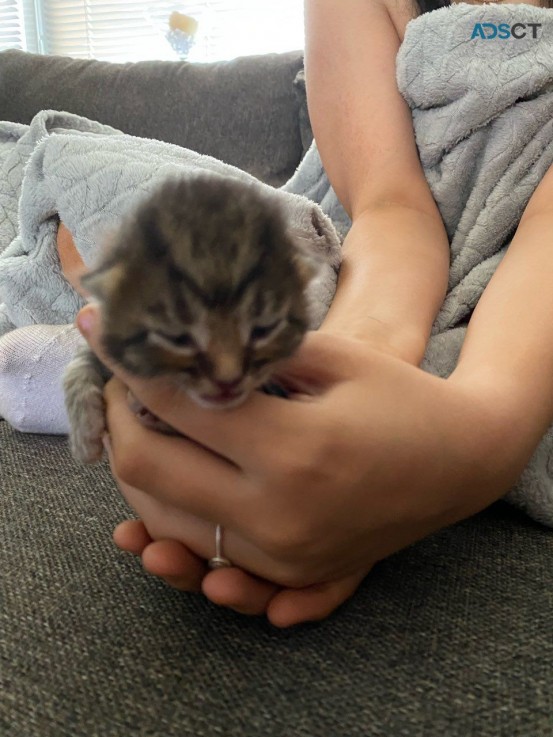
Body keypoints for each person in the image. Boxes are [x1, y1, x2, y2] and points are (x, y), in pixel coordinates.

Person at [62, 0, 553, 627]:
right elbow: (391, 204)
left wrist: (484, 434)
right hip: (381, 259)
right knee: (77, 176)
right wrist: (354, 369)